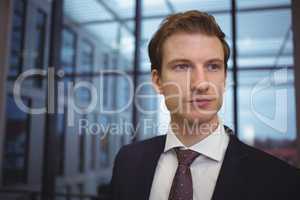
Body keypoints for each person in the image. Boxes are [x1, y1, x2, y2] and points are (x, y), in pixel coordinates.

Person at [109, 10, 299, 200]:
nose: (201, 83)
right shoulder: (127, 162)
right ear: (158, 81)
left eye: (213, 66)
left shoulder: (282, 181)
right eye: (182, 66)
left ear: (224, 79)